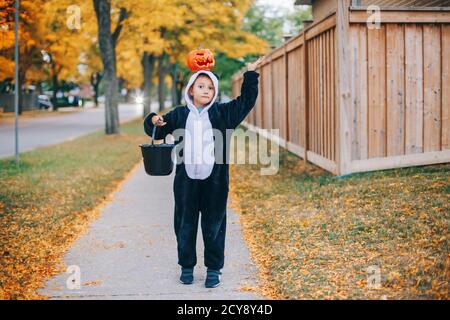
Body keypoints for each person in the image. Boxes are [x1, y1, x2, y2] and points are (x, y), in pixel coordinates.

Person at [143, 56, 265, 288]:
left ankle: (213, 269)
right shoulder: (179, 115)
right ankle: (186, 266)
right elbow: (156, 132)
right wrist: (154, 121)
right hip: (185, 182)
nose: (206, 90)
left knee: (214, 225)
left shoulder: (223, 114)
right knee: (184, 225)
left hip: (215, 182)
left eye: (210, 87)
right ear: (190, 90)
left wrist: (250, 74)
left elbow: (247, 101)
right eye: (201, 86)